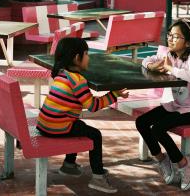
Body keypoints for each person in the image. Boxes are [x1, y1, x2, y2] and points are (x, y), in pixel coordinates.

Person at [36, 37, 129, 194]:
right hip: (58, 127)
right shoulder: (77, 80)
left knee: (79, 125)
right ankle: (98, 177)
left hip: (45, 124)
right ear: (76, 58)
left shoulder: (61, 73)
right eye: (86, 53)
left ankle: (69, 165)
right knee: (95, 135)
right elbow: (93, 106)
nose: (89, 57)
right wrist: (114, 94)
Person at [136, 19, 190, 191]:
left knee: (158, 128)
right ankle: (162, 160)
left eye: (176, 37)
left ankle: (183, 164)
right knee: (142, 122)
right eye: (169, 35)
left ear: (189, 42)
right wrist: (151, 64)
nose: (170, 39)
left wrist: (170, 69)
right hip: (178, 105)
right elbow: (147, 59)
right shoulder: (172, 55)